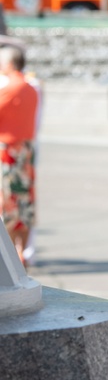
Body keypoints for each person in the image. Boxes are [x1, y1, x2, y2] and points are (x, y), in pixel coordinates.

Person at [0, 45, 38, 268]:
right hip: (25, 150)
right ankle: (22, 253)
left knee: (7, 204)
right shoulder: (32, 87)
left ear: (9, 64)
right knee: (24, 204)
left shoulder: (11, 87)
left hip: (8, 152)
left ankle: (10, 256)